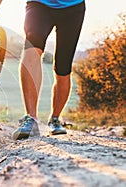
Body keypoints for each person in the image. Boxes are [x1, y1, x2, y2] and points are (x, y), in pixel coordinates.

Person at [12, 0, 86, 140]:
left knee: (63, 66)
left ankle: (55, 118)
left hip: (73, 7)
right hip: (39, 4)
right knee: (32, 44)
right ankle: (31, 118)